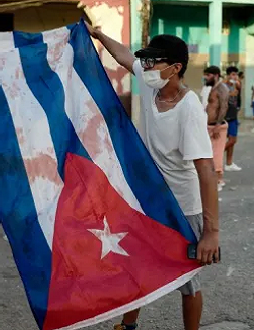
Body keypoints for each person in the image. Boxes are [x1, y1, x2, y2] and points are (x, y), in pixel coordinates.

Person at [87, 24, 220, 330]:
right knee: (137, 264)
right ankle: (128, 325)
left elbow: (206, 171)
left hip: (183, 208)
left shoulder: (189, 110)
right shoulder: (152, 85)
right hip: (150, 200)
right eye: (145, 61)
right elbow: (123, 56)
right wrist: (99, 35)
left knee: (187, 279)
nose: (145, 67)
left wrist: (211, 232)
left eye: (153, 62)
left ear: (175, 68)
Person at [205, 67, 229, 191]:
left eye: (208, 75)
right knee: (209, 153)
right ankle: (215, 179)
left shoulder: (222, 88)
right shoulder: (213, 88)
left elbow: (224, 106)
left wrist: (218, 125)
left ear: (216, 75)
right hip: (210, 126)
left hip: (217, 127)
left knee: (217, 154)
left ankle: (219, 180)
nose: (206, 77)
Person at [224, 66, 242, 172]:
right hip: (224, 116)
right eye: (233, 74)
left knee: (232, 140)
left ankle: (229, 163)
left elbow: (238, 100)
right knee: (230, 140)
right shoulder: (223, 86)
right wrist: (230, 93)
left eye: (236, 75)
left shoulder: (236, 86)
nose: (235, 77)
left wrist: (238, 88)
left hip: (233, 115)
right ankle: (214, 155)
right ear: (228, 75)